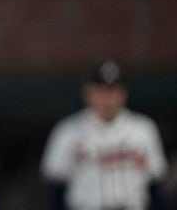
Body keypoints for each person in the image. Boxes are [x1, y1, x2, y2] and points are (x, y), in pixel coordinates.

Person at [40, 60, 168, 210]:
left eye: (113, 90)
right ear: (88, 93)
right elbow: (56, 188)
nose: (107, 98)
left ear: (123, 94)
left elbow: (156, 185)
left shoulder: (143, 129)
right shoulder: (68, 131)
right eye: (100, 91)